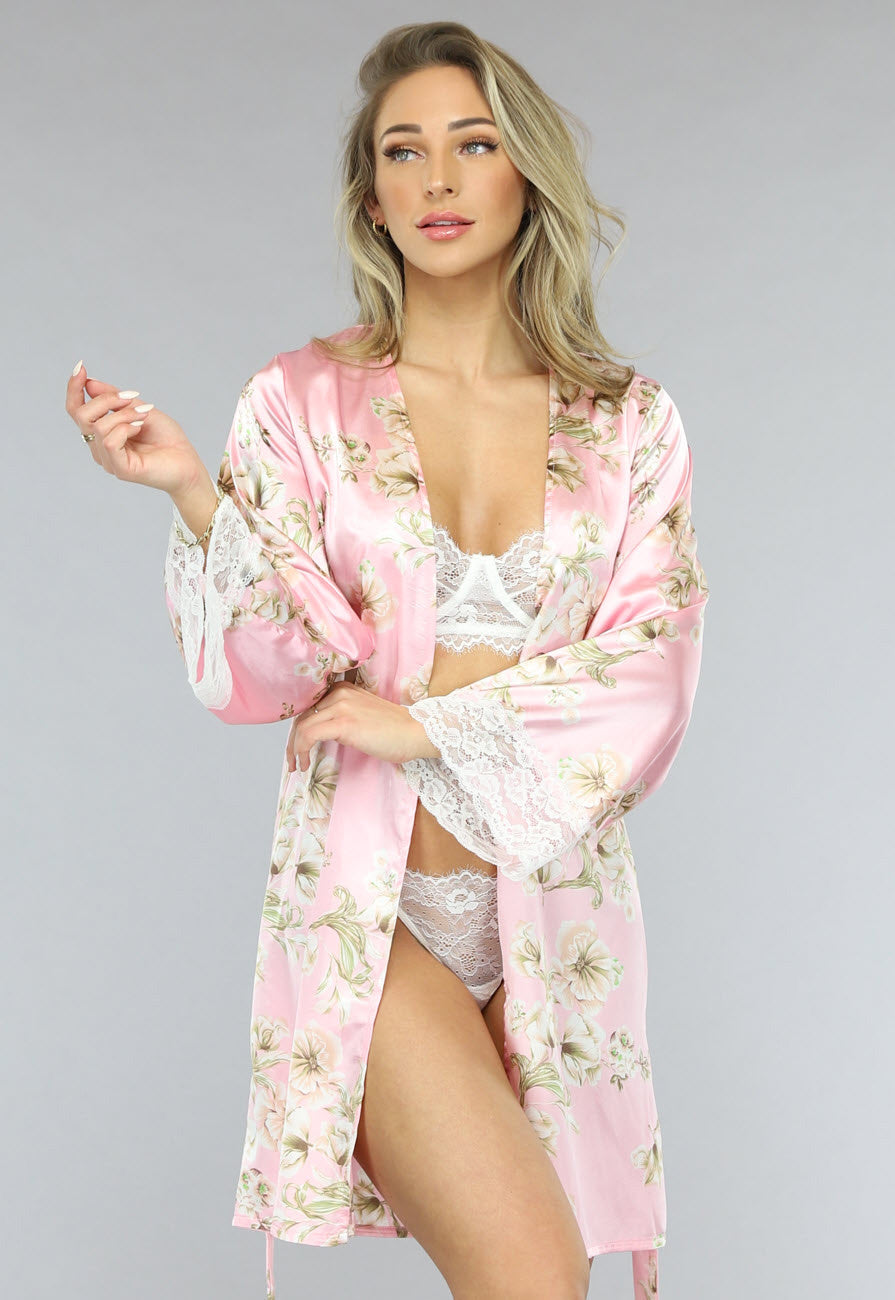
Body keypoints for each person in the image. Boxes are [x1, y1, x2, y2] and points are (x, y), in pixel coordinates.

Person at [64, 21, 709, 1300]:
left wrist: (425, 723)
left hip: (557, 915)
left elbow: (656, 665)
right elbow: (271, 671)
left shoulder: (626, 422)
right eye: (402, 152)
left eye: (473, 144)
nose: (437, 179)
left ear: (525, 173)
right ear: (371, 194)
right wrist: (193, 493)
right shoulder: (298, 402)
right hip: (374, 912)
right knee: (534, 1277)